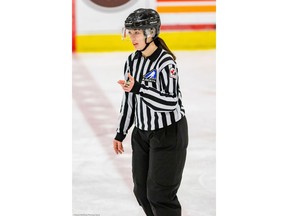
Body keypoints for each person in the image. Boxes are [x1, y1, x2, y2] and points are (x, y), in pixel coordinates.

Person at [113, 8, 188, 216]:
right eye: (130, 32)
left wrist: (139, 88)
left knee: (160, 195)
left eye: (137, 32)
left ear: (151, 32)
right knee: (142, 192)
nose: (132, 37)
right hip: (142, 134)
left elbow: (170, 102)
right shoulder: (132, 61)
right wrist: (121, 131)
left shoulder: (166, 63)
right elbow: (129, 98)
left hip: (168, 133)